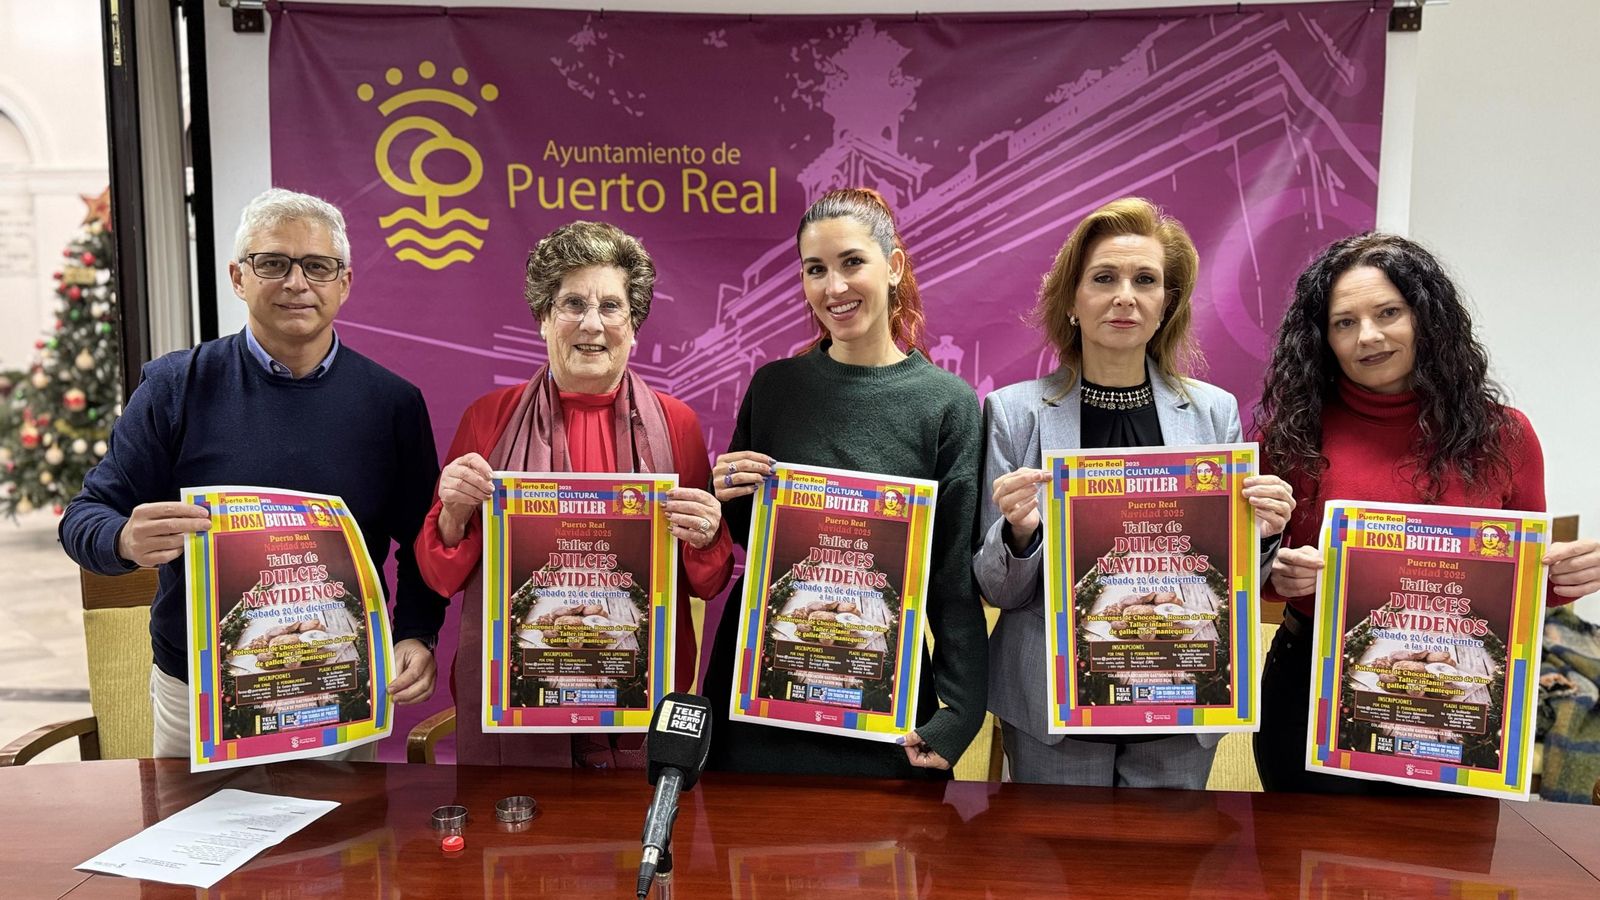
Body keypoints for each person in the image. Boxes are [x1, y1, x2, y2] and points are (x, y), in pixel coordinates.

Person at [59, 188, 447, 758]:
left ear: (344, 283)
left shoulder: (391, 404)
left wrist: (417, 631)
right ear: (239, 277)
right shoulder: (175, 387)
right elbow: (82, 518)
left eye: (318, 266)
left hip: (339, 689)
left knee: (342, 846)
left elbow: (422, 539)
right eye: (273, 263)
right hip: (198, 695)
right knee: (193, 845)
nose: (297, 283)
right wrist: (121, 538)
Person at [1253, 232, 1600, 793]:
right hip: (1312, 682)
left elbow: (1525, 577)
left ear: (1427, 319)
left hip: (1459, 693)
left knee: (1444, 876)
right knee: (1306, 872)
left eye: (1389, 312)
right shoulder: (1290, 435)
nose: (1368, 336)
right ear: (1323, 338)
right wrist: (1279, 574)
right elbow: (1258, 567)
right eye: (1344, 323)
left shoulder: (1506, 436)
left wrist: (1559, 579)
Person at [973, 197, 1295, 788]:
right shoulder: (1012, 413)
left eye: (1145, 280)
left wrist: (1266, 533)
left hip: (1180, 698)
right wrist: (1020, 533)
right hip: (1053, 710)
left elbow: (1229, 581)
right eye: (1104, 278)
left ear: (1165, 303)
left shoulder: (1212, 412)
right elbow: (998, 589)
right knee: (1050, 876)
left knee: (1165, 876)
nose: (1126, 295)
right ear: (1071, 300)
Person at [415, 220, 733, 767]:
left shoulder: (677, 424)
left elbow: (705, 581)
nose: (592, 324)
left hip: (643, 696)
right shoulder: (487, 419)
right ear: (543, 318)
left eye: (612, 306)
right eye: (572, 303)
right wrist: (455, 511)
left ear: (634, 327)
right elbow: (440, 574)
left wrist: (706, 534)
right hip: (522, 693)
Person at [703, 187, 987, 778]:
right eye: (816, 270)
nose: (834, 288)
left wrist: (960, 712)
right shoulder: (774, 387)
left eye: (852, 262)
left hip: (885, 700)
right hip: (763, 694)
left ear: (894, 266)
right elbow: (748, 540)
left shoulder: (948, 404)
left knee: (894, 866)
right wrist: (724, 494)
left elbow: (952, 577)